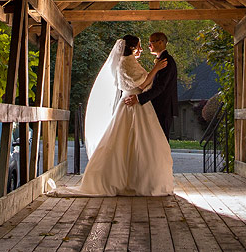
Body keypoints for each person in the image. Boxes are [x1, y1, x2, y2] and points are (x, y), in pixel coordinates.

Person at [55, 34, 174, 196]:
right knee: (133, 142)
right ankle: (130, 180)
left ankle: (134, 179)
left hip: (135, 102)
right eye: (139, 45)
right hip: (132, 104)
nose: (141, 48)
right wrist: (156, 69)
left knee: (134, 142)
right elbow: (144, 83)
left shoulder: (128, 61)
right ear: (131, 48)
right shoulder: (127, 62)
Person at [123, 32, 179, 138]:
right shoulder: (161, 60)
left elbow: (160, 87)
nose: (148, 46)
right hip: (156, 106)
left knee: (160, 140)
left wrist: (139, 98)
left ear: (161, 42)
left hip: (163, 107)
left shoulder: (166, 61)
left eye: (151, 42)